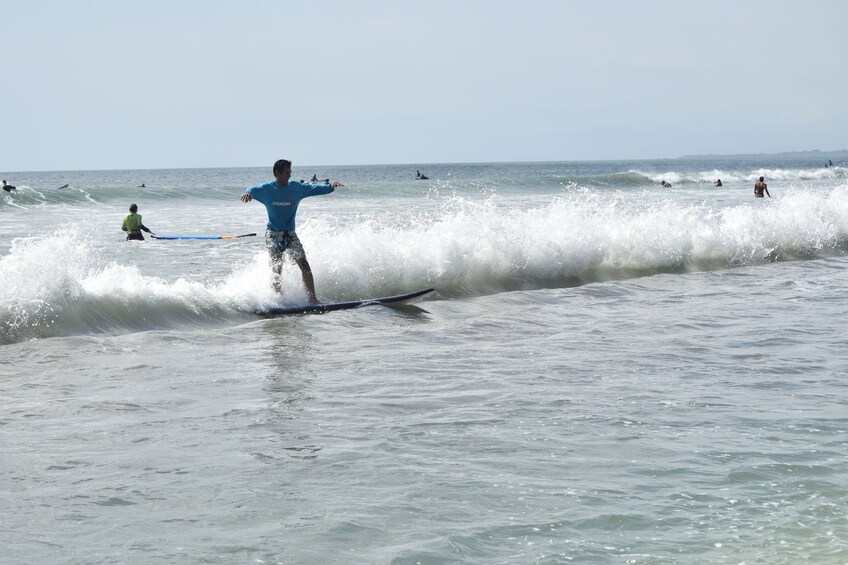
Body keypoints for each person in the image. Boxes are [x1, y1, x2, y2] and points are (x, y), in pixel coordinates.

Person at [240, 159, 344, 304]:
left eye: (290, 172)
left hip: (290, 234)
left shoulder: (296, 187)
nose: (289, 175)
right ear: (278, 173)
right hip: (273, 234)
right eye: (287, 173)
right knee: (277, 269)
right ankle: (277, 301)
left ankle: (312, 299)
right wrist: (248, 193)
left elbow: (315, 189)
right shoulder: (267, 189)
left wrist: (330, 187)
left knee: (304, 265)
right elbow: (252, 189)